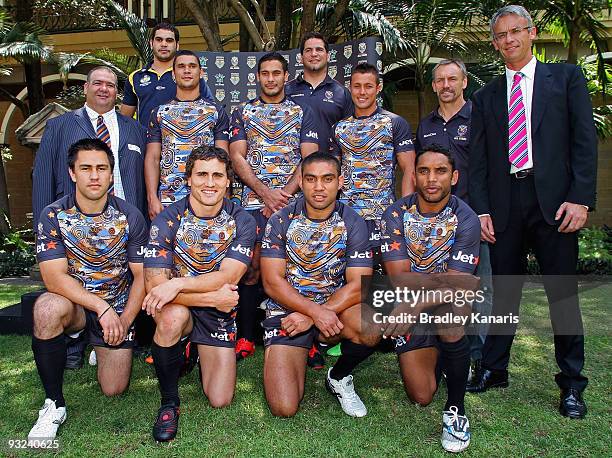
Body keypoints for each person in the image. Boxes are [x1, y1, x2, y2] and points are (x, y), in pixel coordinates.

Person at [467, 5, 597, 420]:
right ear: (494, 43)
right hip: (505, 206)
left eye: (515, 32)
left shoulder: (567, 78)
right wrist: (482, 210)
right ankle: (494, 368)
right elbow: (480, 160)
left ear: (532, 32)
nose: (508, 40)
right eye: (500, 36)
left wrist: (581, 199)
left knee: (562, 294)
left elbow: (583, 142)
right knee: (505, 291)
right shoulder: (485, 96)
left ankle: (572, 384)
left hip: (555, 205)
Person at [28, 138, 147, 446]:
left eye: (101, 168)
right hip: (78, 305)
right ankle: (54, 404)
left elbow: (141, 276)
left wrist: (125, 320)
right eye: (86, 168)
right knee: (46, 308)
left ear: (111, 174)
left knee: (114, 389)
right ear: (72, 173)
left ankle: (98, 345)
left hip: (119, 305)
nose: (94, 176)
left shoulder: (130, 216)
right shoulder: (53, 215)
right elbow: (54, 278)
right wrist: (100, 308)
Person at [32, 66, 147, 369]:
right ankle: (73, 340)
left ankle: (115, 335)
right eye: (97, 83)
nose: (103, 89)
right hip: (74, 222)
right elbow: (43, 176)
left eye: (110, 85)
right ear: (86, 89)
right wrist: (41, 232)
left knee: (119, 280)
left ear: (117, 92)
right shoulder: (59, 126)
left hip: (122, 223)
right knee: (72, 279)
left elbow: (143, 178)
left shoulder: (133, 128)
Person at [142, 146, 256, 442]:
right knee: (170, 319)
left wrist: (177, 283)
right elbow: (154, 288)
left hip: (213, 310)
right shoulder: (167, 220)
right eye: (201, 174)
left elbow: (229, 276)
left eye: (217, 175)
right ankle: (169, 402)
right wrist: (207, 298)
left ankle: (191, 350)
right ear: (188, 179)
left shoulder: (242, 220)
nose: (210, 182)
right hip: (192, 305)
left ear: (228, 180)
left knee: (220, 399)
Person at [379, 144, 481, 452]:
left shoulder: (467, 218)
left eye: (440, 171)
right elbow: (400, 277)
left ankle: (456, 410)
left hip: (434, 303)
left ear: (455, 177)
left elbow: (460, 283)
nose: (431, 179)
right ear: (414, 175)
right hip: (411, 297)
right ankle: (444, 356)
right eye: (423, 171)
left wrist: (415, 305)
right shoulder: (396, 213)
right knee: (421, 395)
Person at [259, 152, 374, 418]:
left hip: (333, 310)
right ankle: (294, 350)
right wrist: (314, 313)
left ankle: (339, 375)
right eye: (311, 179)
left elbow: (359, 284)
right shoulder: (280, 220)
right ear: (300, 181)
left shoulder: (353, 222)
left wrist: (313, 315)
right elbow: (272, 283)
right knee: (283, 408)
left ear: (340, 181)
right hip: (287, 313)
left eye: (327, 179)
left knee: (372, 322)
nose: (319, 187)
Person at [228, 52, 319, 362]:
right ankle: (246, 336)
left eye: (276, 73)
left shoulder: (302, 111)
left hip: (294, 203)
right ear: (257, 77)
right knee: (251, 268)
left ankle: (304, 336)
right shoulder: (242, 112)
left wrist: (282, 195)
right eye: (264, 73)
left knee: (297, 268)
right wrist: (264, 192)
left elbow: (309, 157)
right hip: (252, 202)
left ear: (285, 76)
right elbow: (237, 156)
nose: (270, 78)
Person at [416, 58, 494, 381]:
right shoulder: (426, 125)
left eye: (452, 79)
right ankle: (444, 350)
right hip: (436, 222)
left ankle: (475, 355)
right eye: (440, 80)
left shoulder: (480, 118)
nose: (446, 85)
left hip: (474, 216)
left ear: (464, 82)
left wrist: (487, 211)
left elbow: (491, 169)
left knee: (478, 287)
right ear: (434, 85)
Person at [330, 62, 415, 252]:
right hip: (347, 215)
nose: (362, 92)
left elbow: (409, 169)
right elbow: (333, 174)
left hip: (383, 213)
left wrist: (406, 213)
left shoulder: (395, 123)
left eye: (368, 86)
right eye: (357, 86)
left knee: (384, 277)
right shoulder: (339, 128)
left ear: (378, 88)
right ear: (350, 88)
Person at [145, 50, 229, 221]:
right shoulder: (159, 113)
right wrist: (152, 197)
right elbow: (152, 158)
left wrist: (224, 196)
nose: (187, 70)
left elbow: (224, 159)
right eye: (181, 67)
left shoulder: (216, 112)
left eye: (192, 66)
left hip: (207, 197)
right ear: (173, 74)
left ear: (201, 72)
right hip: (168, 200)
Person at [120, 22, 213, 126]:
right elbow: (124, 120)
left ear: (177, 45)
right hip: (145, 140)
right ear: (151, 43)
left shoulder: (189, 76)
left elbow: (210, 111)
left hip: (181, 140)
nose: (164, 44)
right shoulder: (135, 78)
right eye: (159, 40)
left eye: (169, 40)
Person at [285, 31, 353, 153]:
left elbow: (349, 136)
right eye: (308, 50)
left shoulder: (342, 93)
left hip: (330, 167)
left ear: (328, 56)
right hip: (292, 168)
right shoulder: (286, 90)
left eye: (319, 49)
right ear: (301, 58)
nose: (314, 54)